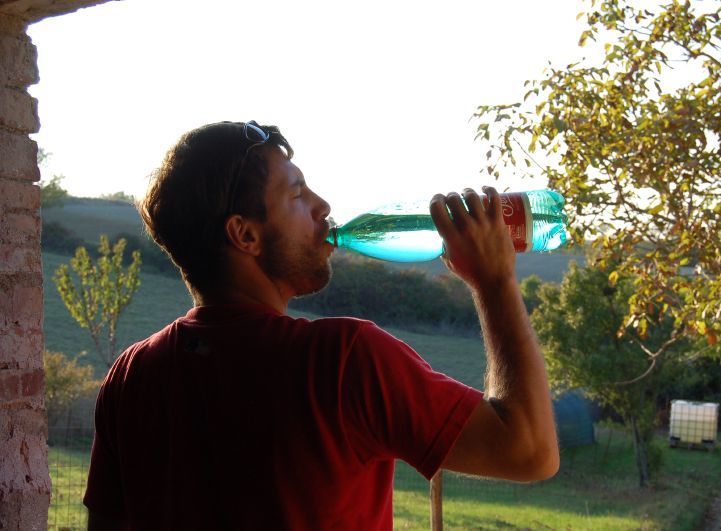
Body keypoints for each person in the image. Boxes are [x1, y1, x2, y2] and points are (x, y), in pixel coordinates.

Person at [83, 120, 559, 530]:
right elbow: (531, 452)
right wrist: (494, 280)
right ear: (245, 234)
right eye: (296, 194)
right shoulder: (343, 359)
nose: (323, 205)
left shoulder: (130, 377)